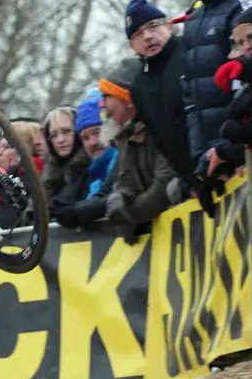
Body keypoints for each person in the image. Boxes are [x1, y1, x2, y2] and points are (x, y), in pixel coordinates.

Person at [182, 0, 252, 183]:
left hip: (241, 152)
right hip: (210, 159)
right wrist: (200, 157)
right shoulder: (192, 19)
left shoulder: (244, 4)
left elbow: (247, 82)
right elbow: (189, 96)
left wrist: (227, 147)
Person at [102, 58, 176, 242]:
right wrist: (119, 198)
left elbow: (164, 183)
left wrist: (131, 215)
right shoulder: (125, 137)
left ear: (128, 99)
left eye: (107, 96)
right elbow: (127, 182)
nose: (101, 105)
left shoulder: (160, 126)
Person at [126, 0, 194, 187]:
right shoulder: (138, 87)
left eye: (153, 26)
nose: (147, 36)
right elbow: (160, 141)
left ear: (169, 26)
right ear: (132, 46)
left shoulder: (191, 51)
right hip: (192, 178)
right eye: (138, 34)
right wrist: (188, 178)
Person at [51, 96, 119, 229]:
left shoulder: (124, 161)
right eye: (85, 137)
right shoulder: (93, 178)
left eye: (97, 132)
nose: (93, 142)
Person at [40, 105, 88, 201]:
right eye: (54, 135)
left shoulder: (91, 166)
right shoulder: (49, 172)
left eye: (66, 131)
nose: (60, 140)